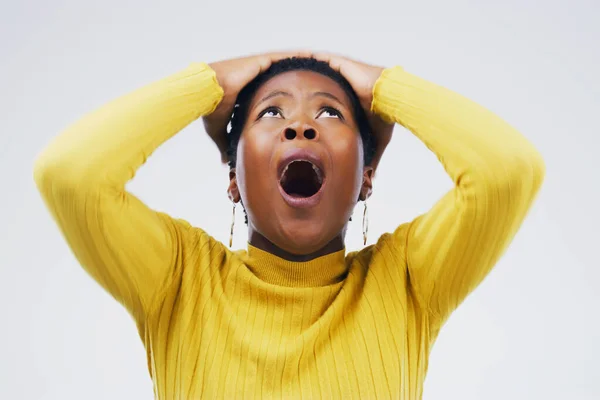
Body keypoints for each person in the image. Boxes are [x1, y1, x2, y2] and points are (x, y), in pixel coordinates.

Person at [33, 51, 545, 399]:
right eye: (272, 113)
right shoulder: (179, 278)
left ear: (366, 177)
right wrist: (205, 84)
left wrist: (386, 88)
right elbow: (71, 175)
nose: (300, 125)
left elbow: (507, 171)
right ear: (233, 178)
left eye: (330, 115)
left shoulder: (407, 280)